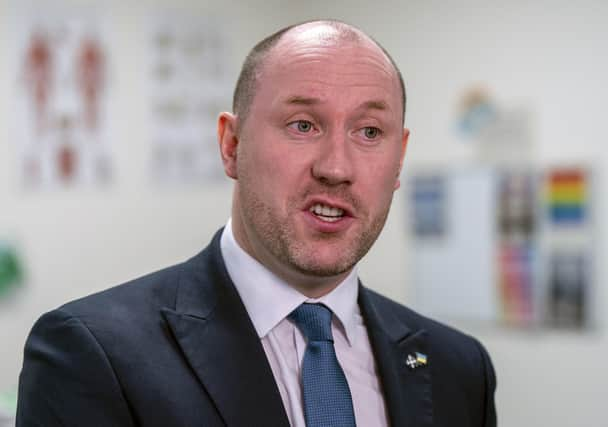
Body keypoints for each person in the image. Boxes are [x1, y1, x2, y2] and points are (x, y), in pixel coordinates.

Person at [17, 20, 496, 427]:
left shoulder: (459, 369)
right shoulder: (93, 354)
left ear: (399, 160)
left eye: (369, 132)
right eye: (303, 125)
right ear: (232, 144)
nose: (336, 167)